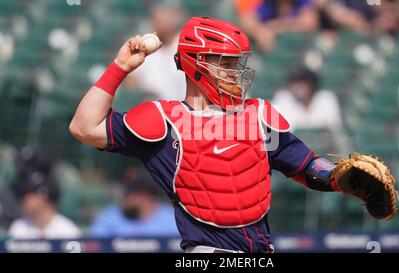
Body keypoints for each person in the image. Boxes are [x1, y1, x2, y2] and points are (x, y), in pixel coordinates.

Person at [68, 17, 382, 253]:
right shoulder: (163, 121)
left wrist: (346, 178)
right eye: (227, 64)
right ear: (196, 63)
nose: (236, 72)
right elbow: (84, 127)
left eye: (237, 63)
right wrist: (121, 66)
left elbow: (307, 166)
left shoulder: (257, 116)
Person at [8, 147, 81, 239]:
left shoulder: (68, 231)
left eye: (27, 193)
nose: (23, 198)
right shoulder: (18, 228)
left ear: (42, 196)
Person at [90, 168, 179, 238]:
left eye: (130, 193)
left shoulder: (171, 220)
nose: (125, 197)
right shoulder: (110, 217)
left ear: (147, 195)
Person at [125, 3, 187, 100]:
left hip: (180, 108)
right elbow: (131, 81)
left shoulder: (185, 46)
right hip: (152, 107)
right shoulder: (146, 48)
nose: (154, 25)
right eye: (154, 21)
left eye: (158, 21)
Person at [235, 0, 319, 53]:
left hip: (302, 50)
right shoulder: (267, 4)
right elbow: (246, 20)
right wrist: (259, 31)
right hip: (272, 52)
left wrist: (275, 27)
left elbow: (310, 23)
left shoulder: (301, 2)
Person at [272, 68, 342, 130]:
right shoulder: (283, 98)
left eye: (302, 83)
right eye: (294, 82)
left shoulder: (326, 98)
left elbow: (334, 127)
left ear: (312, 85)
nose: (298, 87)